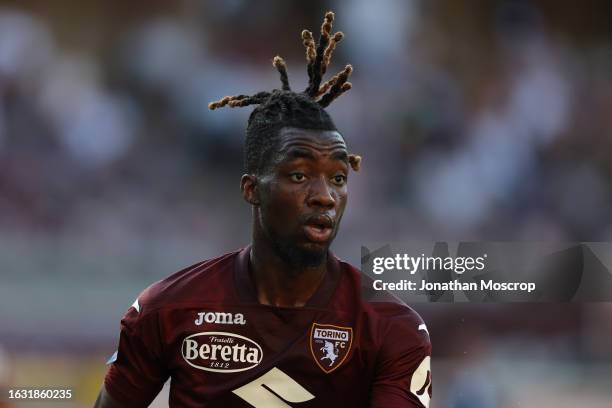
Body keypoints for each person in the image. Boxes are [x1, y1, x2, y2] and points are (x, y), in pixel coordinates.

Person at [95, 11, 431, 408]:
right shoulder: (167, 309)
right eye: (300, 175)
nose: (325, 195)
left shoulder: (391, 327)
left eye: (338, 178)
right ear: (252, 189)